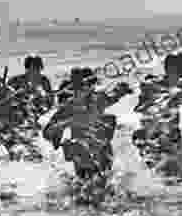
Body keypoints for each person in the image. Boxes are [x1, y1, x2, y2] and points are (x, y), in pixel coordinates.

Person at [43, 68, 131, 204]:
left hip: (102, 154)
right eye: (77, 86)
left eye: (86, 86)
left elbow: (115, 95)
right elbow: (47, 133)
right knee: (75, 148)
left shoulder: (99, 99)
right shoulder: (68, 107)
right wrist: (66, 123)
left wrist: (122, 89)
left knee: (101, 190)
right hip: (82, 156)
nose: (82, 90)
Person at [132, 52, 182, 183]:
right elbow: (147, 93)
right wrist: (176, 94)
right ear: (169, 68)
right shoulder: (151, 83)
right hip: (151, 136)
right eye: (180, 68)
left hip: (173, 137)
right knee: (164, 175)